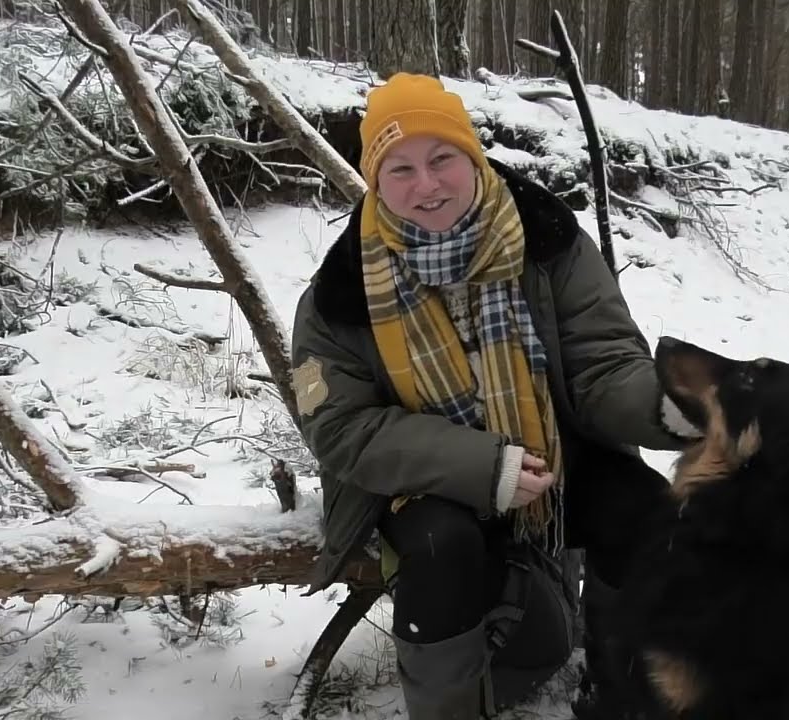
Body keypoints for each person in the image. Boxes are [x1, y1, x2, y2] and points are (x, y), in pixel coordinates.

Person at [290, 72, 690, 720]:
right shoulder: (337, 295)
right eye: (400, 169)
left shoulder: (547, 242)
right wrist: (485, 467)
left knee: (648, 517)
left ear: (471, 156)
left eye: (442, 158)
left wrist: (665, 406)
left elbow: (603, 362)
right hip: (419, 482)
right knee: (441, 547)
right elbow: (339, 427)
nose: (427, 185)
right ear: (374, 181)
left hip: (555, 455)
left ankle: (620, 694)